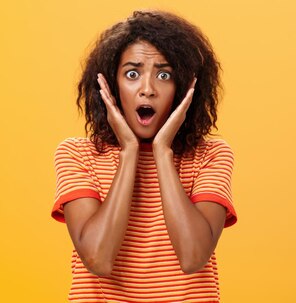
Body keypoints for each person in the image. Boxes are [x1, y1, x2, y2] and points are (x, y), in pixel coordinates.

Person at [50, 10, 237, 302]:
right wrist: (129, 152)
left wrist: (163, 151)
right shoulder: (77, 154)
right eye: (132, 74)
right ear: (110, 86)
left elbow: (193, 257)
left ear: (185, 88)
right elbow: (98, 259)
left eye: (164, 75)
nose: (147, 89)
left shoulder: (211, 156)